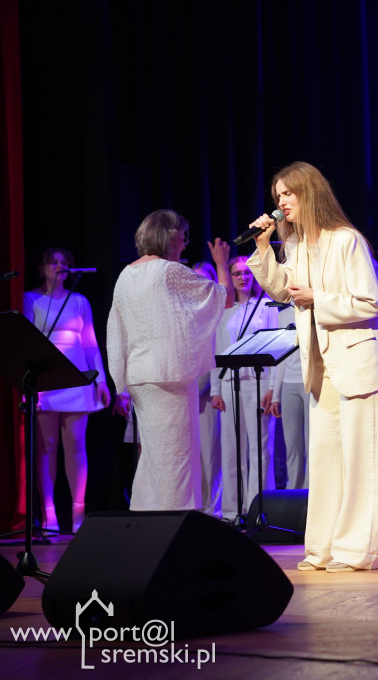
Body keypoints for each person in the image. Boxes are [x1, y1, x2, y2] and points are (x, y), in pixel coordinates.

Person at [247, 161, 378, 572]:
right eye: (277, 196)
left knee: (361, 459)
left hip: (357, 362)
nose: (281, 202)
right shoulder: (296, 246)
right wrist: (263, 249)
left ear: (308, 192)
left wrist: (318, 298)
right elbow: (281, 291)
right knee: (326, 458)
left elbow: (369, 303)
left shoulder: (346, 240)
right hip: (322, 365)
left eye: (287, 194)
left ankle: (358, 550)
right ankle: (324, 547)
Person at [107, 210, 230, 512]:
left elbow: (116, 329)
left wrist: (119, 380)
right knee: (177, 458)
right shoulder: (168, 271)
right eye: (182, 237)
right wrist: (221, 264)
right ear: (169, 236)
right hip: (169, 377)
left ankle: (145, 524)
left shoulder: (126, 275)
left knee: (151, 458)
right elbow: (221, 298)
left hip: (139, 376)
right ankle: (175, 527)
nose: (185, 244)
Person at [25, 248, 111, 532]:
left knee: (76, 445)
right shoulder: (31, 299)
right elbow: (26, 341)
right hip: (46, 379)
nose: (59, 267)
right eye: (53, 262)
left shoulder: (79, 301)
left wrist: (100, 380)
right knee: (46, 448)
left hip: (77, 378)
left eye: (65, 263)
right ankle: (48, 514)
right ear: (42, 268)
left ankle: (77, 512)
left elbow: (90, 344)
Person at [210, 256, 279, 521]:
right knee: (231, 447)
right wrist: (216, 388)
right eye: (237, 273)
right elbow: (218, 348)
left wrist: (272, 386)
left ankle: (259, 508)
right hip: (229, 383)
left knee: (260, 447)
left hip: (258, 382)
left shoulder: (265, 306)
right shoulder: (224, 308)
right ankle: (232, 509)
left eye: (247, 273)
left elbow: (274, 347)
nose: (243, 278)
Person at [192, 261, 224, 514]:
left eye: (204, 278)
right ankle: (195, 506)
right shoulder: (185, 309)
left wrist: (213, 388)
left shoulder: (217, 310)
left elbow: (218, 350)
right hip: (187, 390)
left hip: (209, 390)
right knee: (192, 454)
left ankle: (212, 508)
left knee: (211, 454)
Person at [269, 302, 309, 489]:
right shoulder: (283, 315)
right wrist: (276, 395)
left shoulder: (315, 309)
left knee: (312, 442)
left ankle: (311, 490)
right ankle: (295, 489)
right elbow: (280, 358)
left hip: (311, 382)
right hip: (288, 384)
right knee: (292, 444)